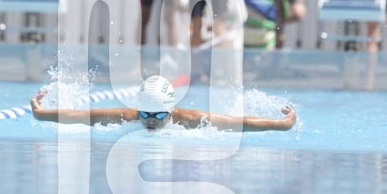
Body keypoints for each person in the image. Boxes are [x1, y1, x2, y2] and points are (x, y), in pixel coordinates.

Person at [31, 75, 297, 132]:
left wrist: (282, 124)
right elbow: (80, 116)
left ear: (170, 111)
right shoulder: (129, 117)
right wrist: (42, 114)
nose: (150, 121)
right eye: (145, 114)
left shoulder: (190, 120)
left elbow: (239, 124)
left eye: (158, 116)